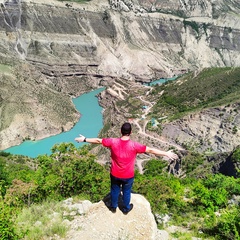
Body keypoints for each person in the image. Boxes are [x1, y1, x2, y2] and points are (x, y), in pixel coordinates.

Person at [75, 122, 178, 214]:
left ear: (121, 131)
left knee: (114, 190)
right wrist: (166, 153)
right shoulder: (134, 145)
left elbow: (98, 140)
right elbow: (150, 150)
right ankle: (125, 209)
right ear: (131, 132)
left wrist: (84, 139)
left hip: (114, 173)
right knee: (126, 191)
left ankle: (113, 207)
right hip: (128, 175)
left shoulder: (113, 142)